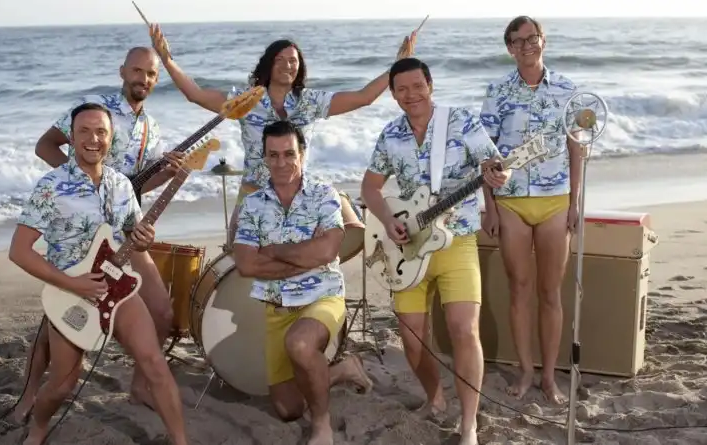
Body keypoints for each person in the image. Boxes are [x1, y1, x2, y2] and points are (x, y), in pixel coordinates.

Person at [14, 46, 184, 422]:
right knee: (56, 324)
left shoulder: (150, 127)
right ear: (122, 71)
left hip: (122, 230)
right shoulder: (95, 110)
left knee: (161, 310)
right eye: (136, 70)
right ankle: (29, 393)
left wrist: (167, 174)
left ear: (157, 80)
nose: (142, 79)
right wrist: (79, 184)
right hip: (80, 234)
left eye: (150, 74)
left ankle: (141, 386)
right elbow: (45, 145)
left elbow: (139, 185)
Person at [147, 24, 417, 243]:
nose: (288, 65)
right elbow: (195, 94)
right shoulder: (246, 100)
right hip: (253, 195)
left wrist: (397, 66)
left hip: (297, 198)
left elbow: (363, 97)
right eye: (281, 60)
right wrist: (166, 59)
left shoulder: (310, 101)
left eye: (293, 61)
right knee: (239, 264)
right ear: (268, 64)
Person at [360, 57, 510, 445]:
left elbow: (493, 163)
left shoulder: (461, 121)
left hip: (456, 240)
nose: (411, 94)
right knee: (412, 342)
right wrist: (387, 220)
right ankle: (435, 398)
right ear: (394, 95)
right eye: (402, 89)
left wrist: (498, 173)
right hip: (408, 248)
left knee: (464, 329)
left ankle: (469, 425)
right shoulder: (391, 134)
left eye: (417, 86)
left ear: (430, 85)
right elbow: (370, 188)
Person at [233, 120, 373, 445]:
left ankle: (322, 426)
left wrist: (273, 251)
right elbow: (246, 264)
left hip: (322, 296)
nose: (281, 162)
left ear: (302, 154)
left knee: (300, 344)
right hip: (276, 306)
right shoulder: (252, 205)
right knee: (287, 408)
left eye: (289, 154)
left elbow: (326, 252)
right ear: (264, 157)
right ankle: (341, 370)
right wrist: (304, 257)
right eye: (273, 155)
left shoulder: (324, 195)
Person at [478, 16, 581, 405]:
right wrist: (489, 208)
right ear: (509, 48)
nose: (526, 45)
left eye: (532, 38)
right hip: (511, 203)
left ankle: (550, 378)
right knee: (520, 288)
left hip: (556, 201)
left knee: (550, 291)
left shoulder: (568, 90)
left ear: (543, 41)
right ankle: (525, 371)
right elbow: (485, 155)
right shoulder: (497, 91)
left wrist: (575, 202)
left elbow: (576, 148)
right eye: (518, 41)